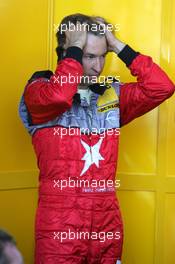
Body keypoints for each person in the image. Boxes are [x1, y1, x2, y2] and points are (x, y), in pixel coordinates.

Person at [18, 13, 174, 264]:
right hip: (60, 227)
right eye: (90, 56)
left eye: (103, 56)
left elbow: (161, 87)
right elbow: (59, 97)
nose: (99, 66)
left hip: (107, 223)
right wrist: (75, 48)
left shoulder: (111, 96)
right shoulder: (39, 90)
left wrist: (118, 46)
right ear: (67, 52)